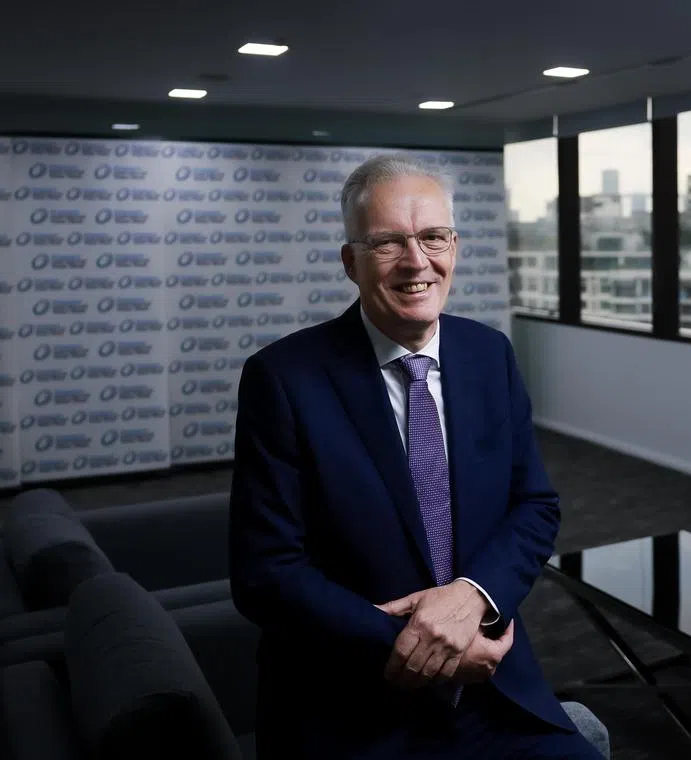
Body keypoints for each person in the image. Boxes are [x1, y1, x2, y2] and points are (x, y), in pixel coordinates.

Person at [229, 153, 604, 759]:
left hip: (495, 688)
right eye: (387, 243)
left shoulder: (489, 354)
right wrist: (420, 644)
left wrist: (473, 596)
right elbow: (265, 573)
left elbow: (534, 505)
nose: (417, 262)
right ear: (351, 261)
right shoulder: (283, 378)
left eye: (433, 237)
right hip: (356, 702)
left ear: (454, 245)